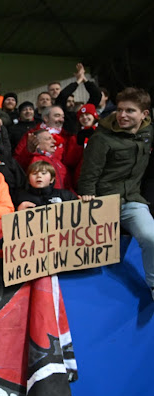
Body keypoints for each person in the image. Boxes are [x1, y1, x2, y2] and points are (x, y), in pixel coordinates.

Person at [77, 87, 154, 300]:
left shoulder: (148, 133)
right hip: (102, 203)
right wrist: (87, 195)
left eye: (130, 111)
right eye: (120, 110)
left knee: (151, 237)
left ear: (144, 114)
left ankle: (153, 285)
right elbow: (88, 173)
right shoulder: (101, 138)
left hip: (132, 201)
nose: (122, 115)